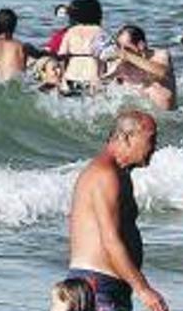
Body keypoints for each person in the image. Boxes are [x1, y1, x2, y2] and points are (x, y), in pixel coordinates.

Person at [66, 110, 168, 311]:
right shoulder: (106, 174)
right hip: (98, 287)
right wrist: (143, 289)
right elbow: (110, 239)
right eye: (151, 139)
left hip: (105, 286)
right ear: (127, 137)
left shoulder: (119, 173)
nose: (155, 147)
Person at [106, 25, 176, 111]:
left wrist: (127, 56)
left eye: (127, 48)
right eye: (119, 47)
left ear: (141, 45)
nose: (122, 52)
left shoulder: (160, 55)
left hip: (166, 116)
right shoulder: (121, 64)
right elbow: (102, 82)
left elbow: (162, 72)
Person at [58, 0, 107, 91]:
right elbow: (103, 56)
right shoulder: (99, 31)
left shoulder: (70, 31)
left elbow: (62, 56)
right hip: (91, 74)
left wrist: (62, 77)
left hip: (72, 73)